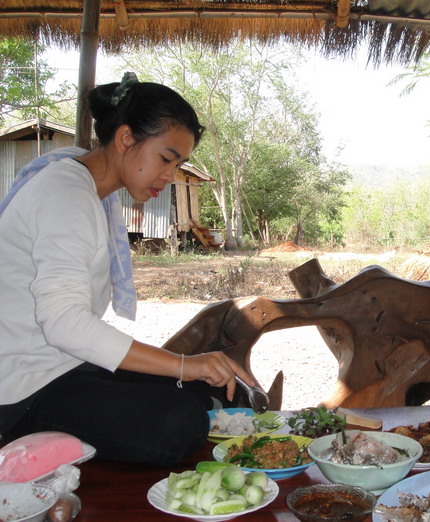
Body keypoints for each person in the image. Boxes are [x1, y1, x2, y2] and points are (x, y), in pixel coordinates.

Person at [0, 73, 257, 466]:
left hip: (65, 365)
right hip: (22, 390)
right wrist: (184, 365)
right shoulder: (65, 194)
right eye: (167, 158)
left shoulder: (90, 191)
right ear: (125, 139)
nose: (170, 176)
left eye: (179, 163)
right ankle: (27, 445)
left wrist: (188, 371)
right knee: (180, 421)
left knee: (224, 395)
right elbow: (65, 323)